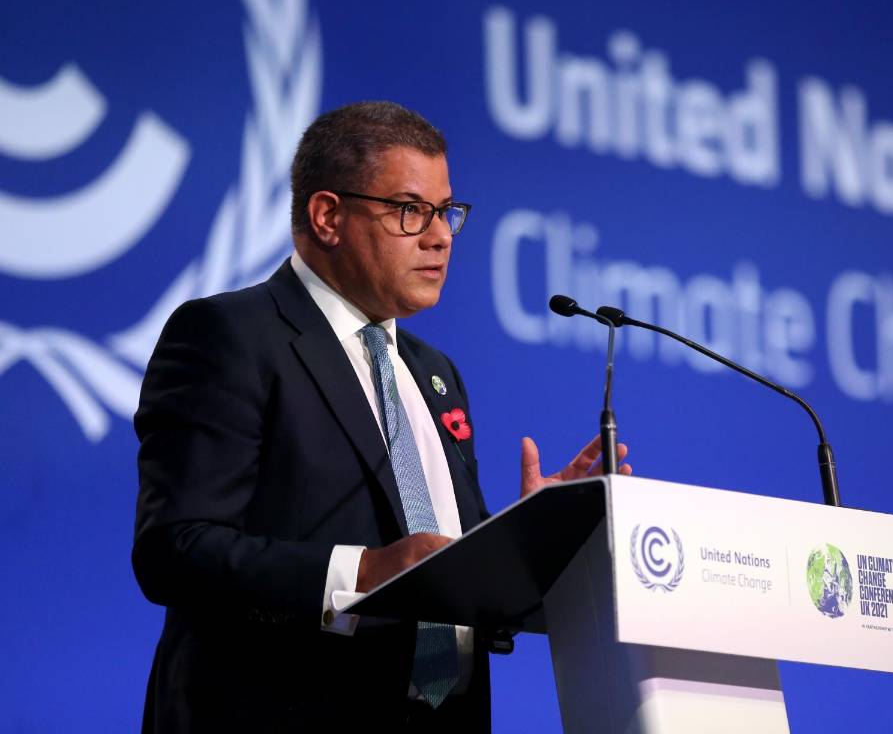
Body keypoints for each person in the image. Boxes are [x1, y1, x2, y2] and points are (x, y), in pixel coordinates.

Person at [132, 101, 630, 732]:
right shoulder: (231, 336)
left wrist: (528, 538)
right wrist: (362, 573)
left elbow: (441, 567)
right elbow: (175, 549)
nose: (440, 236)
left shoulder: (436, 374)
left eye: (446, 211)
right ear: (328, 216)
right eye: (409, 210)